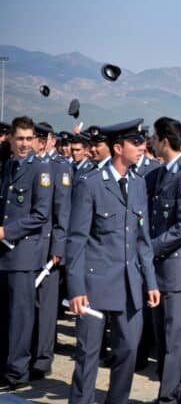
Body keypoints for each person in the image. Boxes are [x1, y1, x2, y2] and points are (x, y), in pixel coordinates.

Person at [65, 118, 160, 404]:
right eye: (136, 142)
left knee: (129, 350)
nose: (143, 147)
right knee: (87, 355)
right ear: (118, 148)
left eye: (143, 142)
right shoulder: (91, 183)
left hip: (130, 285)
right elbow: (76, 239)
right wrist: (75, 288)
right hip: (94, 285)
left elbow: (142, 239)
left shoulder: (139, 184)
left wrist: (151, 282)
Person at [147, 117, 181, 404]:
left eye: (153, 138)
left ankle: (168, 397)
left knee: (175, 338)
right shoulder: (158, 175)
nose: (150, 143)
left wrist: (149, 248)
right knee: (163, 338)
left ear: (164, 141)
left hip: (176, 269)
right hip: (158, 269)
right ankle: (170, 392)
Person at [0, 116, 54, 391]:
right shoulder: (9, 166)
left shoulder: (40, 170)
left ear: (35, 141)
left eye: (28, 139)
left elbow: (41, 215)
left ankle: (17, 374)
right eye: (18, 138)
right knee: (5, 316)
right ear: (10, 138)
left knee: (20, 318)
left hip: (22, 254)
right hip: (4, 255)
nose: (23, 144)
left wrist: (6, 232)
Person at [30, 122, 73, 381]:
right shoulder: (29, 164)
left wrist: (58, 248)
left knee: (46, 308)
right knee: (27, 305)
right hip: (28, 247)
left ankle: (42, 359)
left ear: (46, 140)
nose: (31, 142)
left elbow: (62, 211)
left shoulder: (60, 168)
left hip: (48, 247)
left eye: (36, 137)